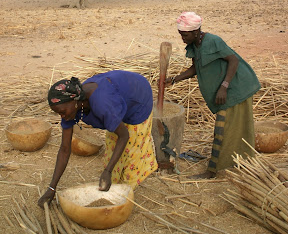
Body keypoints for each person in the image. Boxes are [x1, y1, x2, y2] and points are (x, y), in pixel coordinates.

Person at [38, 70, 158, 208]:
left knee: (132, 153)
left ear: (75, 101)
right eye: (58, 113)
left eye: (63, 112)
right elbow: (65, 149)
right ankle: (114, 182)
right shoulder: (72, 108)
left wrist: (107, 171)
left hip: (138, 95)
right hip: (117, 98)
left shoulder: (101, 103)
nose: (62, 117)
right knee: (114, 150)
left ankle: (126, 196)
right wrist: (52, 188)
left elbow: (124, 135)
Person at [166, 11, 260, 179]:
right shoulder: (195, 45)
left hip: (236, 88)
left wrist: (224, 86)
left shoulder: (213, 41)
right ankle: (240, 164)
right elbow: (196, 68)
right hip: (227, 90)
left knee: (224, 129)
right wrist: (174, 80)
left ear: (196, 32)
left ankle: (214, 171)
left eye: (185, 35)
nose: (183, 39)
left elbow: (234, 60)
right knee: (234, 130)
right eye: (181, 35)